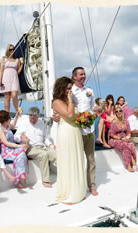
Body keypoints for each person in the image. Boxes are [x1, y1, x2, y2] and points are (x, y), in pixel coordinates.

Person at [52, 76, 86, 204]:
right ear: (62, 88)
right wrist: (71, 100)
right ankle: (70, 193)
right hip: (66, 133)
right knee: (69, 161)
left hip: (75, 132)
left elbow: (76, 115)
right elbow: (70, 115)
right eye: (68, 88)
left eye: (71, 88)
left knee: (77, 160)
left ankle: (79, 190)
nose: (70, 91)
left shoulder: (70, 100)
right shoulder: (57, 101)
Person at [71, 67, 101, 196]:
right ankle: (78, 186)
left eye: (84, 74)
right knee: (77, 159)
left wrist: (99, 108)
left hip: (90, 128)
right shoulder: (70, 91)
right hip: (76, 128)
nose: (83, 76)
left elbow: (92, 107)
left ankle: (92, 185)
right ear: (74, 77)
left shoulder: (89, 91)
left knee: (91, 158)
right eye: (80, 74)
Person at [14, 107, 57, 188]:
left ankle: (65, 176)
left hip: (42, 146)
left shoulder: (41, 122)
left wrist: (50, 145)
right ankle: (46, 180)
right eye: (31, 118)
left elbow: (46, 137)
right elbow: (15, 137)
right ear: (29, 116)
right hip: (30, 147)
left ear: (38, 116)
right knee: (43, 154)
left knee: (56, 154)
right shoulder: (24, 122)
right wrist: (21, 137)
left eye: (34, 119)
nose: (32, 120)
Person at [0, 110, 29, 189]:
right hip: (6, 151)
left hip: (13, 148)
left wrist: (16, 116)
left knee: (21, 153)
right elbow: (6, 143)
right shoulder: (0, 129)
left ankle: (21, 175)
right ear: (5, 120)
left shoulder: (7, 126)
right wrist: (19, 146)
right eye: (9, 118)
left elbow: (13, 125)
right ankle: (19, 178)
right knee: (21, 151)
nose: (10, 119)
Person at [108, 106, 138, 172]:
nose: (118, 112)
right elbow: (112, 134)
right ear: (115, 113)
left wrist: (127, 138)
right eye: (116, 111)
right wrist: (122, 138)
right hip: (115, 139)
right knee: (125, 144)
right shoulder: (113, 123)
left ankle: (130, 165)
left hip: (125, 139)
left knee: (129, 145)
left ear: (122, 112)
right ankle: (133, 164)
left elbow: (128, 132)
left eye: (120, 111)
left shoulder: (126, 121)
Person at [0, 44, 23, 113]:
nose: (12, 50)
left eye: (13, 49)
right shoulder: (4, 59)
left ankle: (17, 111)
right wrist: (0, 80)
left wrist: (22, 65)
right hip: (5, 78)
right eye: (10, 49)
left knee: (14, 95)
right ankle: (7, 114)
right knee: (7, 97)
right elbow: (1, 70)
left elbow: (18, 72)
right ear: (7, 50)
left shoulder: (17, 60)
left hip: (14, 77)